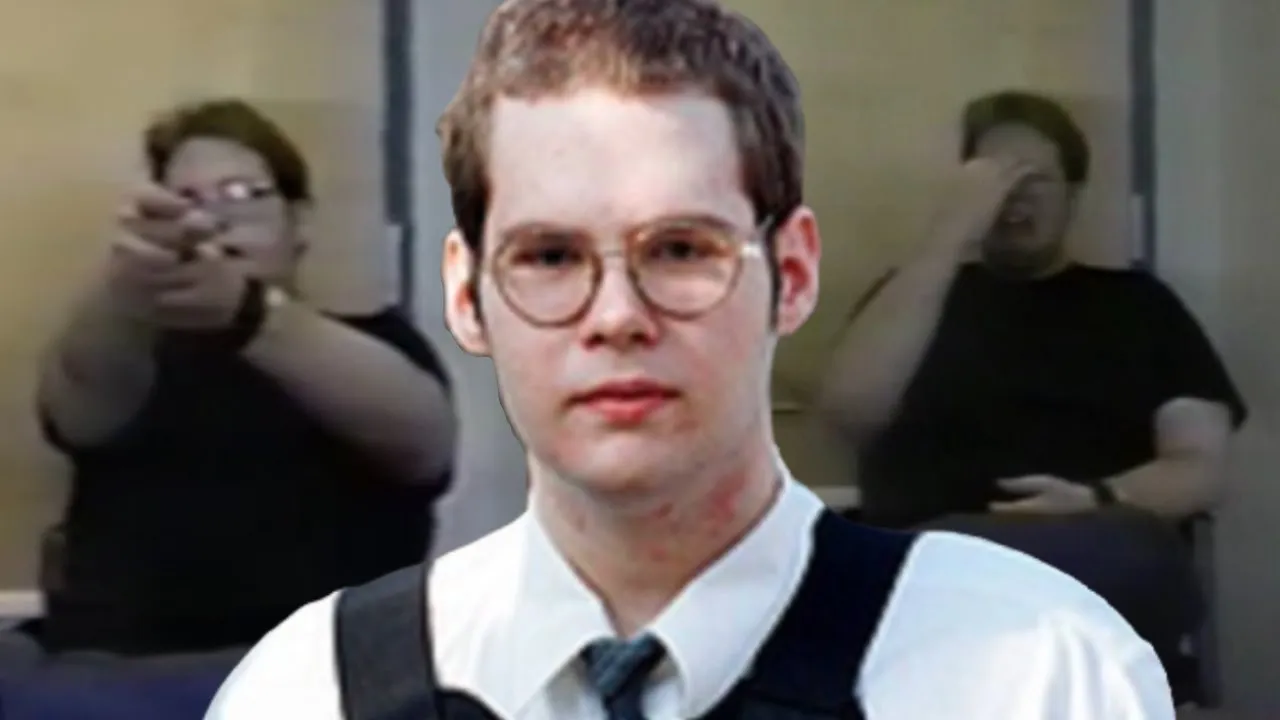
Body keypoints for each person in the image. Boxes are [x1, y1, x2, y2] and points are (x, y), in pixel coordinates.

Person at [206, 4, 1174, 719]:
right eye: (549, 257)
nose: (617, 317)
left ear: (792, 275)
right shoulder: (310, 694)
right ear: (466, 295)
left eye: (679, 250)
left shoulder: (1037, 676)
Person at [820, 90, 1245, 701]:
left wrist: (1097, 498)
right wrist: (948, 236)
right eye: (996, 178)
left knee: (1122, 558)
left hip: (1091, 558)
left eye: (1035, 178)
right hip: (931, 569)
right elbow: (848, 412)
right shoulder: (913, 295)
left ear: (1073, 193)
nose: (1014, 196)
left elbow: (1201, 469)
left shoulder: (1141, 307)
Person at [27, 98, 456, 657]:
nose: (213, 220)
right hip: (126, 674)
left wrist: (248, 314)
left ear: (298, 220)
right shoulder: (128, 350)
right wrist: (126, 289)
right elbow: (79, 404)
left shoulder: (371, 343)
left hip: (323, 674)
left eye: (240, 194)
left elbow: (423, 441)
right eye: (186, 200)